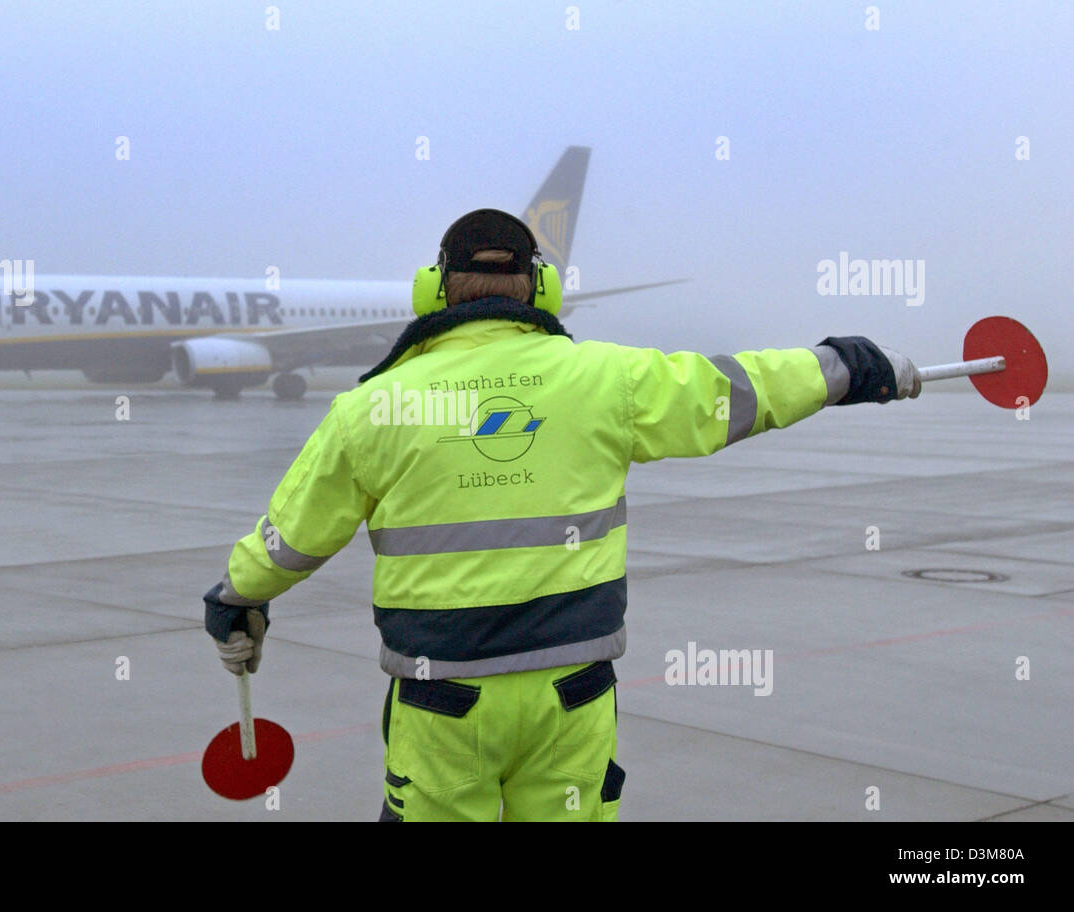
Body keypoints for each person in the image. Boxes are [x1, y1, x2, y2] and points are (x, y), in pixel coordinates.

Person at [202, 208, 921, 821]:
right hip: (571, 695)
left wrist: (238, 599)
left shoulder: (371, 407)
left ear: (433, 290)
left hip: (442, 700)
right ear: (539, 286)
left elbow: (290, 538)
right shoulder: (605, 379)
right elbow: (738, 389)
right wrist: (845, 364)